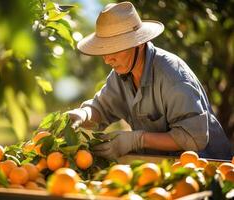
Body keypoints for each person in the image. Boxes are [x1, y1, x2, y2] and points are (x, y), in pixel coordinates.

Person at [67, 1, 232, 160]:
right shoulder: (121, 75)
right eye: (104, 49)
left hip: (207, 169)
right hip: (159, 171)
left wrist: (137, 140)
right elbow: (101, 109)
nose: (107, 59)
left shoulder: (172, 76)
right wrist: (83, 114)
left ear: (138, 44)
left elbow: (194, 138)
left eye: (114, 49)